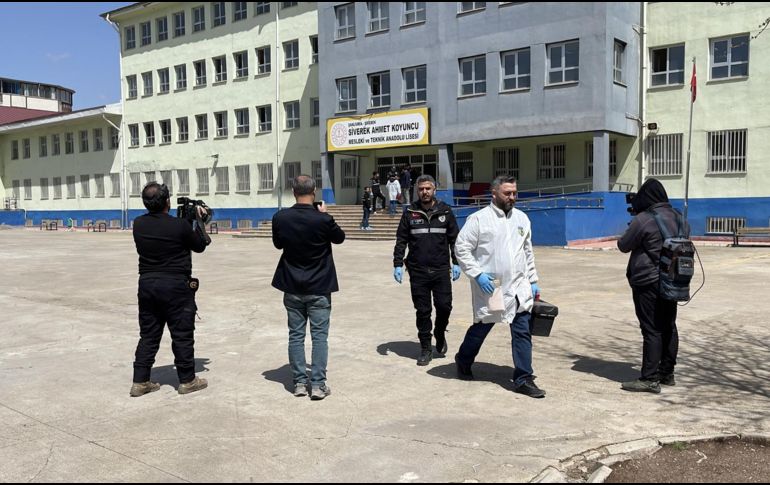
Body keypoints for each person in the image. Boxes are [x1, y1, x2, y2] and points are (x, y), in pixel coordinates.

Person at [454, 175, 546, 399]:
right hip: (492, 287)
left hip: (519, 287)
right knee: (482, 327)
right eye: (507, 193)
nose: (512, 197)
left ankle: (523, 378)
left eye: (515, 193)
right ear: (494, 193)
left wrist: (533, 280)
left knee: (522, 331)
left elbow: (527, 252)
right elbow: (461, 248)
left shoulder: (522, 219)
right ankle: (463, 359)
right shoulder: (478, 220)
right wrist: (477, 274)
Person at [130, 182, 210, 397]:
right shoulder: (180, 226)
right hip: (176, 286)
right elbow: (200, 246)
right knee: (182, 334)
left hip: (147, 284)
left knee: (148, 334)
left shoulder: (138, 224)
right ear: (167, 201)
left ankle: (140, 381)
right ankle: (187, 380)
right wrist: (198, 220)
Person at [272, 175, 345, 400]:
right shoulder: (322, 219)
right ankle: (318, 384)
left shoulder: (281, 217)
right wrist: (325, 216)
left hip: (292, 285)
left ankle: (299, 383)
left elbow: (278, 244)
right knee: (319, 337)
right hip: (319, 286)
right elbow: (340, 238)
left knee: (295, 335)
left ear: (293, 192)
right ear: (314, 192)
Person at [617, 178, 687, 394]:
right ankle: (667, 373)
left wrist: (636, 221)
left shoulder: (645, 219)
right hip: (673, 280)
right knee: (669, 326)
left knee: (651, 329)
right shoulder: (679, 217)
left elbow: (623, 245)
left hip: (647, 281)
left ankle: (649, 378)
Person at [393, 175, 461, 365]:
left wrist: (456, 262)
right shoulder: (410, 212)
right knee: (423, 311)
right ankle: (425, 348)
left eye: (428, 189)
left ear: (434, 190)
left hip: (440, 270)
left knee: (445, 306)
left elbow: (455, 239)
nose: (424, 192)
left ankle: (439, 332)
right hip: (418, 271)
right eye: (421, 189)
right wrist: (397, 263)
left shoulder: (445, 211)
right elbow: (401, 240)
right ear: (417, 191)